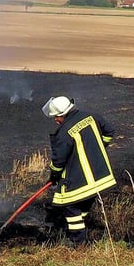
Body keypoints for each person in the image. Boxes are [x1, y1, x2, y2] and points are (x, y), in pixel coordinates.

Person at [42, 95, 116, 246]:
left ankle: (78, 242)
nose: (55, 120)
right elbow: (110, 131)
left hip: (80, 180)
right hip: (101, 176)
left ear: (62, 114)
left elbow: (58, 162)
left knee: (69, 205)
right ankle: (80, 228)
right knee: (84, 203)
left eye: (56, 116)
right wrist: (99, 147)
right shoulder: (91, 116)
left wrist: (53, 176)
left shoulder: (64, 133)